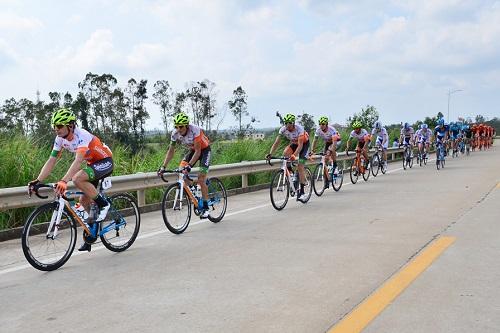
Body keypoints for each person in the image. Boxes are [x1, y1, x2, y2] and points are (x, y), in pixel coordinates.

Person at [28, 108, 114, 252]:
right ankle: (91, 234)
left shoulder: (82, 135)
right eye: (54, 126)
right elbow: (51, 160)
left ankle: (104, 204)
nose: (56, 129)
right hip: (92, 164)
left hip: (105, 161)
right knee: (83, 202)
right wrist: (38, 180)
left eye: (60, 126)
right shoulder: (60, 139)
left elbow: (78, 161)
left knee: (77, 178)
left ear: (71, 125)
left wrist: (64, 180)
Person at [158, 112, 212, 218]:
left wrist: (190, 166)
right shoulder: (175, 134)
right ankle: (194, 192)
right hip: (193, 151)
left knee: (201, 178)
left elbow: (198, 151)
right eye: (176, 126)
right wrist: (163, 167)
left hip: (204, 150)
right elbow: (171, 151)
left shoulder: (195, 130)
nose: (179, 129)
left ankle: (206, 208)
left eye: (181, 126)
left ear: (186, 125)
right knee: (181, 171)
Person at [266, 113, 310, 202]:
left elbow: (300, 145)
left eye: (289, 123)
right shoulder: (283, 129)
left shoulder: (299, 129)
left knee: (300, 165)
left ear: (293, 123)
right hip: (294, 143)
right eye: (285, 123)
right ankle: (292, 175)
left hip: (304, 145)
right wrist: (270, 154)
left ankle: (302, 192)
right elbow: (276, 143)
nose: (287, 125)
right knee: (285, 153)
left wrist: (294, 155)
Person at [309, 116, 341, 189]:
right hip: (327, 142)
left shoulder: (332, 129)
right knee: (324, 162)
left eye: (323, 124)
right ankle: (327, 180)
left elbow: (334, 143)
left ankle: (335, 163)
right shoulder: (318, 130)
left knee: (330, 150)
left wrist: (330, 151)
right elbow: (315, 141)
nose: (321, 125)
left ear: (326, 124)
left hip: (336, 141)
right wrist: (312, 151)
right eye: (320, 124)